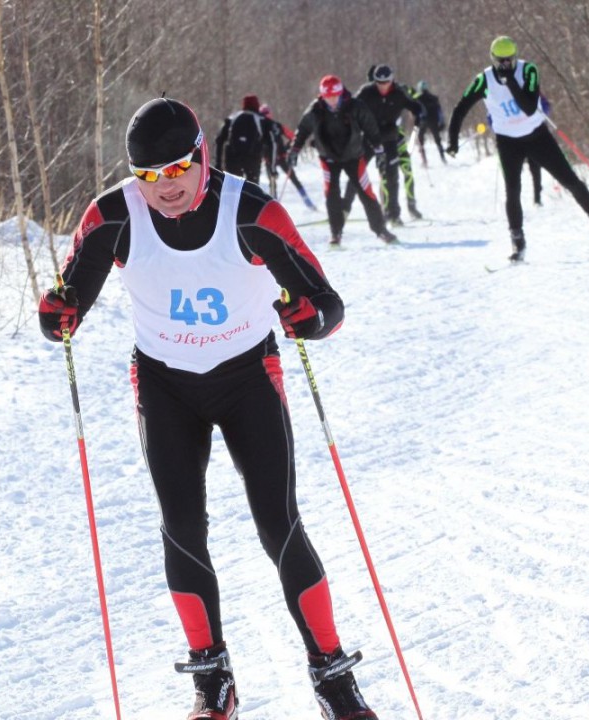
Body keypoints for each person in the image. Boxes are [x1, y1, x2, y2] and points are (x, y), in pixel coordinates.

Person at [38, 97, 380, 720]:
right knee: (181, 525)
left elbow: (325, 301)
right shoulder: (113, 216)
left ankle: (333, 680)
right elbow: (68, 300)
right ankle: (213, 681)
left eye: (177, 170)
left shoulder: (252, 212)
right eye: (149, 176)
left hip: (248, 377)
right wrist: (57, 316)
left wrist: (312, 319)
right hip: (166, 387)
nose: (164, 188)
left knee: (278, 523)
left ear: (201, 156)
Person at [446, 35, 589, 261]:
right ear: (493, 59)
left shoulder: (528, 71)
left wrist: (510, 81)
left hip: (537, 137)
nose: (505, 65)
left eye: (509, 60)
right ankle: (517, 240)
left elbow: (530, 107)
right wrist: (452, 140)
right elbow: (460, 108)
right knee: (513, 190)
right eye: (500, 61)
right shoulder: (483, 79)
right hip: (507, 142)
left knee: (570, 180)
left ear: (516, 56)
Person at [289, 74, 397, 247]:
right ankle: (336, 232)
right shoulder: (316, 109)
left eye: (334, 96)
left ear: (340, 93)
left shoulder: (355, 106)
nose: (331, 101)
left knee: (366, 192)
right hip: (328, 157)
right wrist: (294, 150)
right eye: (327, 97)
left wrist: (379, 150)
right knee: (331, 193)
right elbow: (302, 130)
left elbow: (370, 128)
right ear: (322, 96)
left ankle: (380, 230)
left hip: (353, 156)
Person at [353, 64, 425, 224]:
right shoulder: (368, 95)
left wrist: (418, 110)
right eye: (376, 82)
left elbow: (415, 100)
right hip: (377, 141)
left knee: (406, 171)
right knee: (384, 176)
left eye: (385, 82)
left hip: (397, 139)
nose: (381, 86)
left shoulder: (399, 91)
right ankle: (387, 211)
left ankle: (411, 206)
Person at [259, 103, 318, 210]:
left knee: (289, 180)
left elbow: (292, 136)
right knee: (274, 184)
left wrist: (287, 149)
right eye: (263, 114)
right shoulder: (266, 127)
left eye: (266, 113)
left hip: (280, 157)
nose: (265, 116)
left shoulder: (274, 125)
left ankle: (308, 202)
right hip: (271, 159)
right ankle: (274, 208)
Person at [214, 94, 268, 185]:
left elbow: (219, 140)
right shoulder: (260, 120)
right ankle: (250, 199)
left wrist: (218, 164)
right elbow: (269, 142)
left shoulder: (232, 118)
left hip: (233, 158)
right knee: (253, 189)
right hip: (253, 160)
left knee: (232, 188)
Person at [413, 80, 446, 165]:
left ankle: (424, 161)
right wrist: (442, 122)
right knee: (437, 140)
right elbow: (439, 112)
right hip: (434, 120)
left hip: (423, 121)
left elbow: (416, 111)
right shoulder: (434, 98)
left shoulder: (417, 98)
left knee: (420, 139)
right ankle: (443, 158)